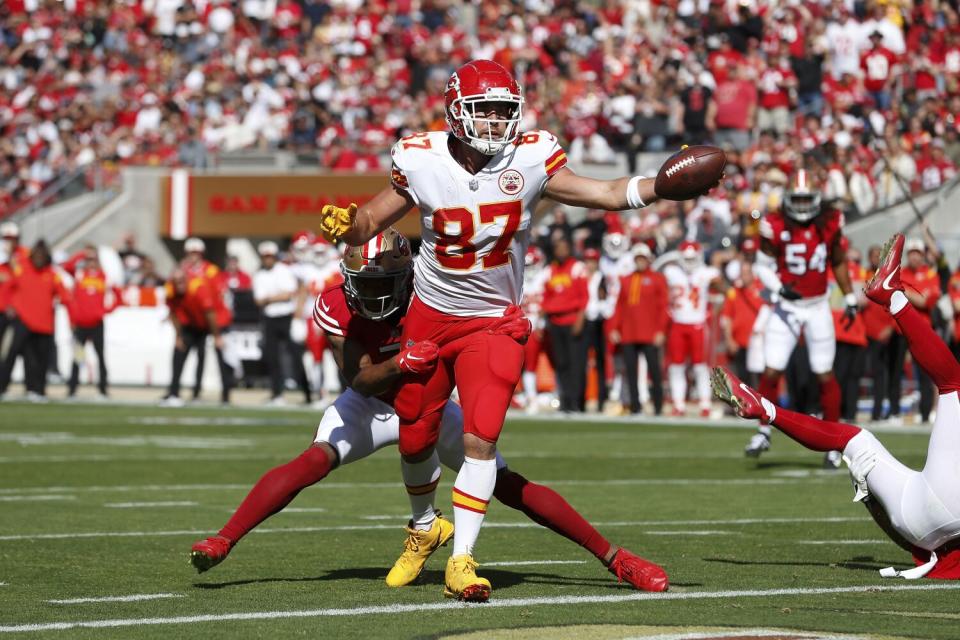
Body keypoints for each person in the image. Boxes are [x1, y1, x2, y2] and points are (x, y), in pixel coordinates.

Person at [316, 60, 709, 600]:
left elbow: (606, 193)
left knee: (481, 438)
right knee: (415, 435)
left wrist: (656, 187)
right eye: (486, 110)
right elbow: (370, 221)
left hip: (494, 321)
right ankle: (424, 525)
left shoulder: (531, 156)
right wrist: (347, 223)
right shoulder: (421, 159)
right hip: (431, 315)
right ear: (456, 113)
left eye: (505, 111)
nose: (498, 122)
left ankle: (462, 559)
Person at [189, 229, 668, 595]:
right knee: (315, 458)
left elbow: (478, 329)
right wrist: (399, 362)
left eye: (384, 283)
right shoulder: (336, 304)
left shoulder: (435, 294)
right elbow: (357, 378)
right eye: (364, 283)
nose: (373, 294)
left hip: (431, 404)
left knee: (505, 483)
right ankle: (225, 538)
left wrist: (501, 325)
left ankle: (613, 557)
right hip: (372, 402)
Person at [713, 234, 960, 579]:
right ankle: (767, 408)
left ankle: (768, 411)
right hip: (918, 529)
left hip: (927, 511)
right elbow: (898, 529)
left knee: (947, 387)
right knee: (859, 437)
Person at [745, 170, 858, 468]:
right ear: (788, 200)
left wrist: (849, 297)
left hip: (818, 305)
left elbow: (838, 261)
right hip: (787, 306)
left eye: (808, 199)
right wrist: (780, 288)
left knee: (824, 372)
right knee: (772, 370)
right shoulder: (775, 224)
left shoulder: (830, 223)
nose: (804, 205)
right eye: (799, 199)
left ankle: (834, 443)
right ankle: (762, 431)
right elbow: (763, 267)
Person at [0, 241, 70, 401]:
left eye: (42, 255)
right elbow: (7, 287)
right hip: (23, 321)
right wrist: (9, 305)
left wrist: (72, 314)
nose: (39, 258)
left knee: (40, 359)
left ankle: (37, 390)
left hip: (44, 324)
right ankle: (2, 387)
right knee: (10, 355)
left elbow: (65, 295)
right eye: (37, 255)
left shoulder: (52, 274)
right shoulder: (22, 268)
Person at [662, 241, 721, 417]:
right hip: (678, 323)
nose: (689, 262)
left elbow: (721, 286)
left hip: (698, 324)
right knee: (676, 366)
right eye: (686, 259)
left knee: (700, 366)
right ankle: (678, 404)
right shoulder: (672, 272)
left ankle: (705, 403)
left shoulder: (707, 272)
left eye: (692, 258)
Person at [609, 243, 668, 415]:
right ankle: (635, 406)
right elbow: (619, 305)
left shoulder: (657, 279)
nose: (640, 261)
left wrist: (661, 330)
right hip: (628, 333)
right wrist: (614, 328)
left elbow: (664, 307)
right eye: (638, 258)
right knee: (630, 372)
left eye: (643, 258)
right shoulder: (626, 279)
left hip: (650, 333)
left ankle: (658, 406)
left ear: (648, 259)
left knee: (655, 371)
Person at [161, 268, 233, 406]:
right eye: (176, 282)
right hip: (192, 323)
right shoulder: (170, 290)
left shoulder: (198, 288)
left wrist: (217, 336)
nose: (179, 285)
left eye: (182, 281)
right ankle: (173, 393)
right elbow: (174, 313)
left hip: (215, 322)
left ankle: (224, 397)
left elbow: (210, 314)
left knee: (217, 356)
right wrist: (178, 336)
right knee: (179, 353)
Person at [253, 241, 311, 406]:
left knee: (295, 356)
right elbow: (258, 300)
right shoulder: (259, 275)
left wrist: (269, 298)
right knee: (272, 357)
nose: (267, 259)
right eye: (265, 256)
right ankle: (276, 394)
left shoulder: (284, 271)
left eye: (270, 256)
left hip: (286, 317)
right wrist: (276, 297)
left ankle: (307, 394)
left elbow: (288, 294)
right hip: (270, 319)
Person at [62, 245, 120, 399]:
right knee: (78, 358)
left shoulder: (104, 277)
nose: (91, 263)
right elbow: (67, 266)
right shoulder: (80, 275)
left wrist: (106, 311)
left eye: (93, 259)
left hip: (97, 325)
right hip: (80, 326)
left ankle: (103, 389)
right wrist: (81, 253)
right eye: (88, 260)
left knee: (100, 357)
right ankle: (72, 389)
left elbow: (118, 295)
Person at [541, 236, 589, 413]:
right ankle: (566, 400)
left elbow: (584, 296)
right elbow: (545, 297)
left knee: (576, 363)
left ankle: (577, 402)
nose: (561, 251)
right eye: (558, 248)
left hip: (572, 320)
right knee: (561, 363)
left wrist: (580, 319)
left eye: (564, 248)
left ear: (569, 250)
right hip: (555, 322)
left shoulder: (577, 268)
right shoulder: (549, 270)